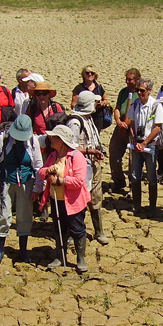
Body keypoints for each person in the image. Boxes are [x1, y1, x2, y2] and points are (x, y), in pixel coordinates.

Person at [0, 115, 45, 265]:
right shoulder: (3, 139)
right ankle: (0, 249)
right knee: (3, 216)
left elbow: (38, 166)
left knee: (24, 216)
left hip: (26, 183)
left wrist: (38, 188)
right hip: (5, 182)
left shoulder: (33, 141)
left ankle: (23, 251)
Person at [38, 125, 92, 274]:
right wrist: (48, 172)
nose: (50, 140)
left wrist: (60, 181)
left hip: (73, 202)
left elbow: (79, 181)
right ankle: (60, 256)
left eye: (53, 137)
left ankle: (80, 259)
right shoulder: (53, 155)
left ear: (61, 140)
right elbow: (41, 171)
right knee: (59, 228)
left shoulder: (76, 157)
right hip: (56, 200)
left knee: (77, 229)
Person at [67, 91, 109, 244]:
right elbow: (70, 146)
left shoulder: (89, 118)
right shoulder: (75, 122)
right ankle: (75, 233)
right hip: (81, 167)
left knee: (96, 197)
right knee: (80, 199)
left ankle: (99, 231)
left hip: (93, 165)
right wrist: (90, 151)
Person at [126, 79, 163, 216]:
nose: (139, 93)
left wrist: (144, 143)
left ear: (149, 91)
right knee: (135, 176)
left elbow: (157, 127)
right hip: (137, 145)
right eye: (138, 90)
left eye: (142, 90)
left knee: (151, 177)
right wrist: (136, 140)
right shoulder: (135, 104)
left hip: (150, 145)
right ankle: (136, 206)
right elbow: (131, 123)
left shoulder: (155, 105)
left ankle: (152, 207)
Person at [109, 68, 140, 193]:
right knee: (114, 154)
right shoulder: (123, 92)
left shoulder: (140, 93)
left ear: (137, 79)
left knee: (133, 159)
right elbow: (117, 108)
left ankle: (134, 186)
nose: (127, 81)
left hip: (133, 129)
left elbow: (136, 113)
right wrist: (118, 121)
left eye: (130, 79)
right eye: (126, 79)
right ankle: (119, 181)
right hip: (120, 126)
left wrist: (126, 125)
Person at [71, 66, 109, 130]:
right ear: (83, 74)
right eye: (87, 72)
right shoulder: (78, 88)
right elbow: (73, 104)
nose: (90, 74)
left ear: (95, 75)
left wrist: (102, 104)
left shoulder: (99, 87)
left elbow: (105, 100)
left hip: (97, 116)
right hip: (84, 116)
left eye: (92, 73)